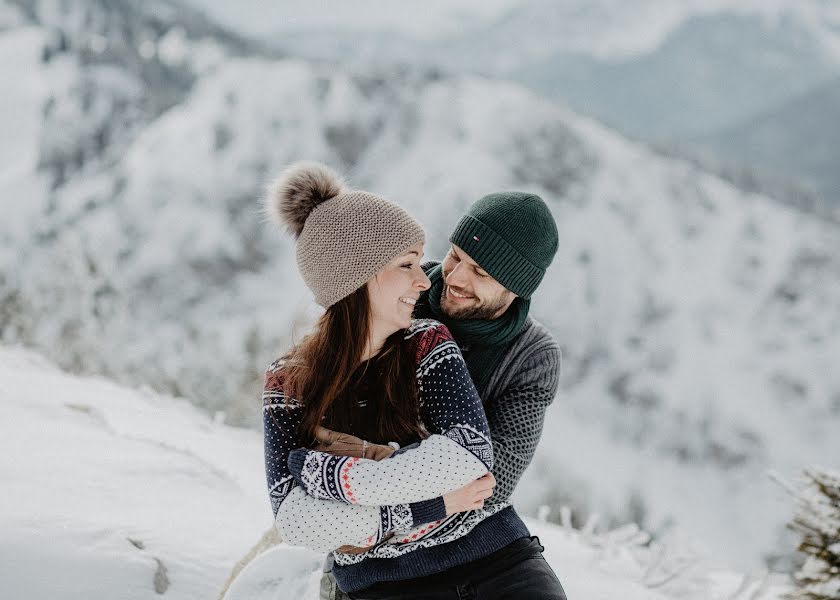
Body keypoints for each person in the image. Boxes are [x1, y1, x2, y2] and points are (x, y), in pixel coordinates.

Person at [262, 161, 566, 599]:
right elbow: (297, 517)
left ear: (515, 288)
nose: (448, 278)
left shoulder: (459, 343)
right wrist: (429, 486)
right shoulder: (403, 298)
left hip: (487, 549)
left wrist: (339, 474)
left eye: (481, 273)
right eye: (456, 256)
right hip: (379, 574)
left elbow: (482, 477)